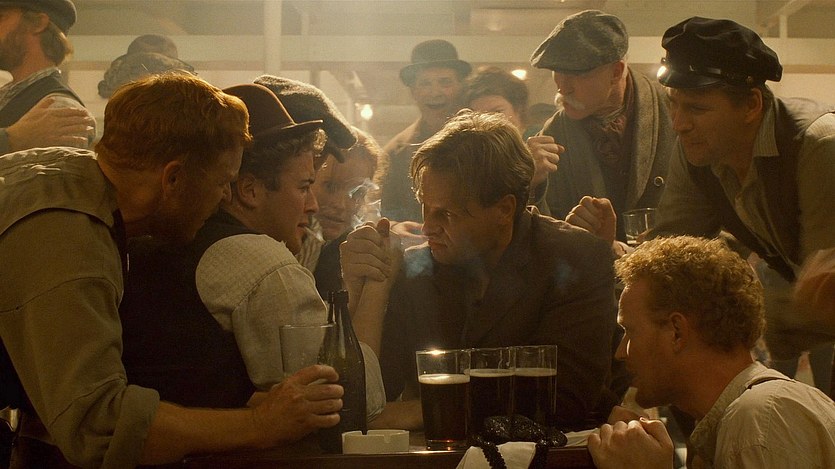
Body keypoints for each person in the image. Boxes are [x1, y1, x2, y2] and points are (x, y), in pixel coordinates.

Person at [0, 73, 343, 468]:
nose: (226, 197)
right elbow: (99, 427)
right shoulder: (66, 237)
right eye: (223, 181)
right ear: (174, 178)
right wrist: (261, 424)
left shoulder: (66, 177)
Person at [120, 83, 385, 421]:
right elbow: (353, 397)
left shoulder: (155, 238)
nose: (314, 205)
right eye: (304, 187)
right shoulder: (260, 261)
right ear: (248, 189)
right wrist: (378, 283)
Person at [342, 110, 619, 430]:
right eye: (425, 208)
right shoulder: (418, 269)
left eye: (446, 214)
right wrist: (367, 289)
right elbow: (366, 400)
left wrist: (424, 410)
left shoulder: (577, 259)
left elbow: (564, 398)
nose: (428, 227)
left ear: (504, 209)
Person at [649, 16, 835, 394]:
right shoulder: (698, 150)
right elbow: (669, 260)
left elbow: (825, 299)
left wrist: (734, 325)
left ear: (751, 104)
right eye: (673, 105)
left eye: (696, 108)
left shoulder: (819, 146)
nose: (679, 124)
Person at [588, 236, 835, 469]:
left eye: (630, 332)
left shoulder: (758, 422)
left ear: (676, 332)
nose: (620, 353)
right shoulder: (740, 420)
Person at [530, 9, 675, 247]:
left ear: (616, 72)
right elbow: (540, 238)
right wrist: (529, 184)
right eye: (558, 71)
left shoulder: (673, 110)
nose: (563, 87)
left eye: (577, 74)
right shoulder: (553, 134)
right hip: (594, 268)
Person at [378, 39, 469, 242]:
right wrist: (394, 226)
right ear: (413, 92)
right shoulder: (396, 151)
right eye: (425, 83)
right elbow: (382, 212)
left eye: (445, 82)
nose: (435, 92)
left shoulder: (482, 140)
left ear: (460, 86)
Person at [297, 128, 382, 299]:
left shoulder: (356, 254)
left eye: (357, 193)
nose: (341, 205)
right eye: (330, 186)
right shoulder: (283, 238)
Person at [0, 0, 94, 154]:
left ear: (38, 23)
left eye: (1, 17)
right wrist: (11, 139)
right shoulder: (5, 94)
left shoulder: (59, 108)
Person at [464, 65, 563, 195]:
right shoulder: (477, 154)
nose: (488, 121)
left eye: (497, 112)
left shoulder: (543, 140)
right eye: (479, 114)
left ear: (518, 108)